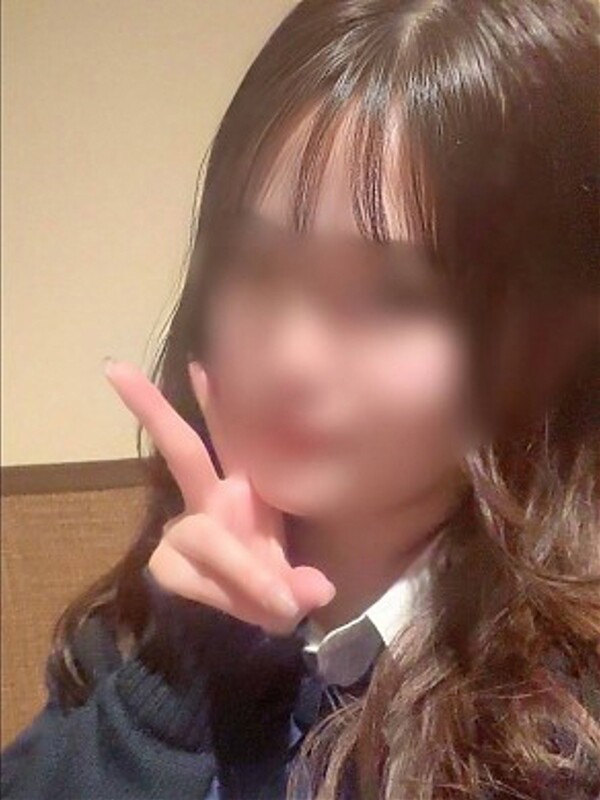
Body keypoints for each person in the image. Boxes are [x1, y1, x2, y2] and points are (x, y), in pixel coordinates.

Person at [2, 0, 599, 797]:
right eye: (254, 264)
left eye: (394, 295)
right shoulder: (148, 618)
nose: (290, 357)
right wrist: (176, 680)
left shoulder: (570, 721)